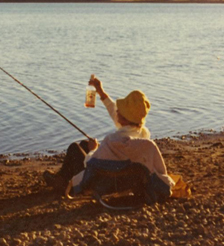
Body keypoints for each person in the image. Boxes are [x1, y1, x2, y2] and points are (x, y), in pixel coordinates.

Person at [43, 76, 175, 200]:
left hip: (102, 181)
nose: (117, 111)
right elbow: (113, 111)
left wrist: (93, 150)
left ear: (124, 118)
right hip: (122, 179)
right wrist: (100, 91)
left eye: (121, 111)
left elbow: (90, 164)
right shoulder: (143, 136)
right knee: (83, 144)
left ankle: (63, 182)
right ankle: (63, 177)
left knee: (74, 148)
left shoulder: (113, 140)